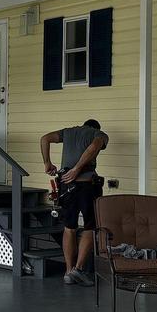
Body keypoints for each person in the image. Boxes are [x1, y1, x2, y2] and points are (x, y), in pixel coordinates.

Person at [40, 119, 109, 286]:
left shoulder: (68, 132)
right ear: (95, 127)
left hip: (66, 186)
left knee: (69, 228)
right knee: (90, 227)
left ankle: (68, 271)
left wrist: (47, 163)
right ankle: (78, 269)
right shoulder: (99, 134)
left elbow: (44, 138)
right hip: (87, 186)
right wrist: (78, 168)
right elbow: (95, 146)